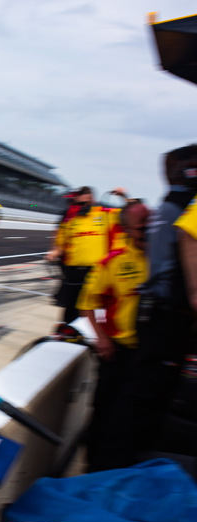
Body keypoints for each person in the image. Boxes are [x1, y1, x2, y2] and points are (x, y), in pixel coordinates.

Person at [105, 144, 197, 469]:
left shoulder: (170, 205)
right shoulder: (182, 209)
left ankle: (124, 462)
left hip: (158, 313)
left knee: (146, 395)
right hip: (167, 315)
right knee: (144, 397)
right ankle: (122, 466)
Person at [76, 199, 149, 472]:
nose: (147, 233)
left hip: (151, 354)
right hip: (119, 352)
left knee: (134, 418)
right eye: (141, 228)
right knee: (105, 411)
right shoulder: (113, 262)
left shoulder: (167, 259)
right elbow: (86, 304)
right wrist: (102, 338)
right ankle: (93, 468)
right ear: (127, 229)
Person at [45, 187, 111, 325]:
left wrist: (124, 196)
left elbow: (127, 215)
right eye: (81, 201)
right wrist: (55, 250)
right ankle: (67, 329)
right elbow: (59, 234)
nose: (84, 205)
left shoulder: (103, 213)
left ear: (93, 199)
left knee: (94, 304)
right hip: (73, 267)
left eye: (87, 201)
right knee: (71, 304)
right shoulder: (68, 214)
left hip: (97, 269)